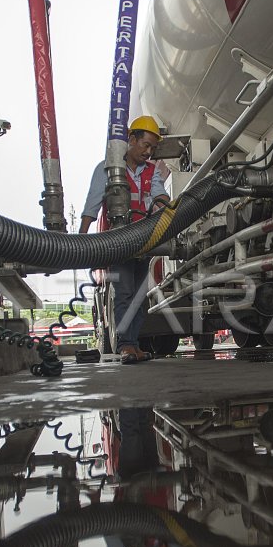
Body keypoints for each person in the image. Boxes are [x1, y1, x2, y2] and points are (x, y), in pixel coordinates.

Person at [80, 116, 171, 363]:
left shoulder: (150, 171)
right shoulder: (108, 168)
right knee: (124, 293)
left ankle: (133, 344)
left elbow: (158, 193)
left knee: (140, 296)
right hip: (118, 242)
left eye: (152, 148)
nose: (148, 152)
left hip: (142, 241)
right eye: (145, 145)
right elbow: (93, 204)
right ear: (131, 139)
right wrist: (80, 241)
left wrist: (168, 208)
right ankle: (125, 345)